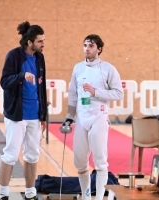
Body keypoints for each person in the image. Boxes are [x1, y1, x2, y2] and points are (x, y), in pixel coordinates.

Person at [63, 34, 124, 200]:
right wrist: (69, 116)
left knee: (100, 160)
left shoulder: (108, 69)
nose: (87, 49)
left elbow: (119, 93)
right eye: (85, 45)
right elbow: (73, 95)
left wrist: (95, 92)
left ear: (99, 49)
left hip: (99, 116)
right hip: (82, 118)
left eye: (91, 46)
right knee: (80, 161)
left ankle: (98, 198)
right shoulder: (78, 68)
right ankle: (86, 195)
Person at [0, 21, 47, 200]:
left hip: (35, 115)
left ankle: (30, 192)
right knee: (11, 154)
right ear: (29, 42)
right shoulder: (13, 56)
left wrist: (43, 116)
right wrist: (21, 76)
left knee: (33, 154)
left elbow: (41, 89)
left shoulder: (40, 58)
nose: (43, 44)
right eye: (40, 41)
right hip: (16, 115)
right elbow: (4, 82)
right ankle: (3, 193)